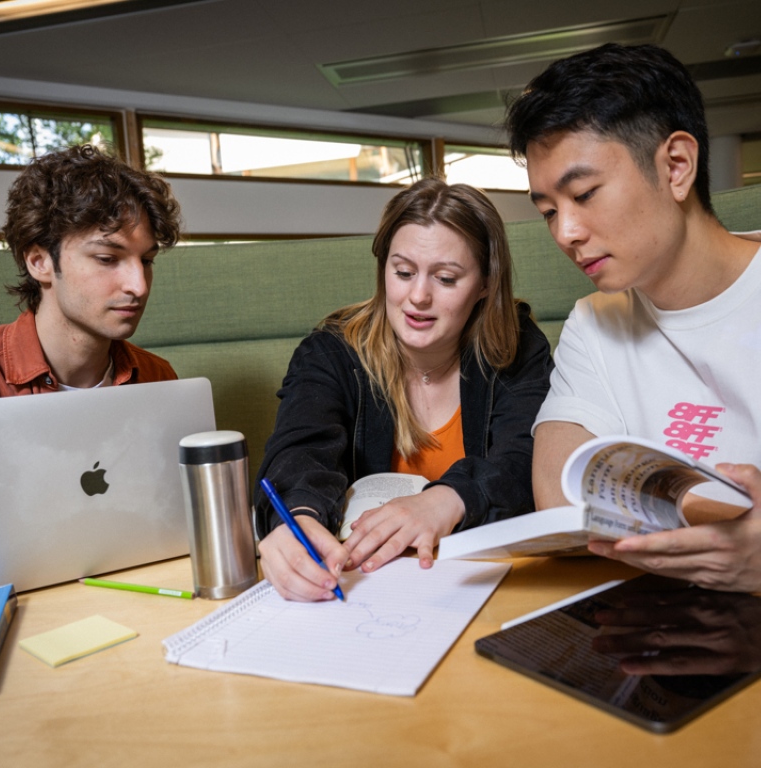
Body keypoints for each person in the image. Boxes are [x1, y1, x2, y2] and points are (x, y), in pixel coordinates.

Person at [505, 43, 761, 592]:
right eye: (549, 211)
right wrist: (731, 526)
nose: (565, 233)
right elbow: (559, 498)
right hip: (655, 621)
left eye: (584, 194)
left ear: (675, 166)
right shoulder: (594, 321)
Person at [255, 177, 553, 601]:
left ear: (486, 283)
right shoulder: (330, 352)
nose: (418, 297)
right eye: (403, 272)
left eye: (446, 279)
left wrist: (449, 499)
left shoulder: (517, 345)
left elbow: (532, 457)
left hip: (482, 586)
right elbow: (300, 449)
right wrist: (297, 519)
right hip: (368, 590)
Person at [0, 144, 181, 398]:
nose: (139, 287)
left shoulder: (158, 378)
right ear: (39, 262)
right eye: (107, 259)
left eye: (146, 261)